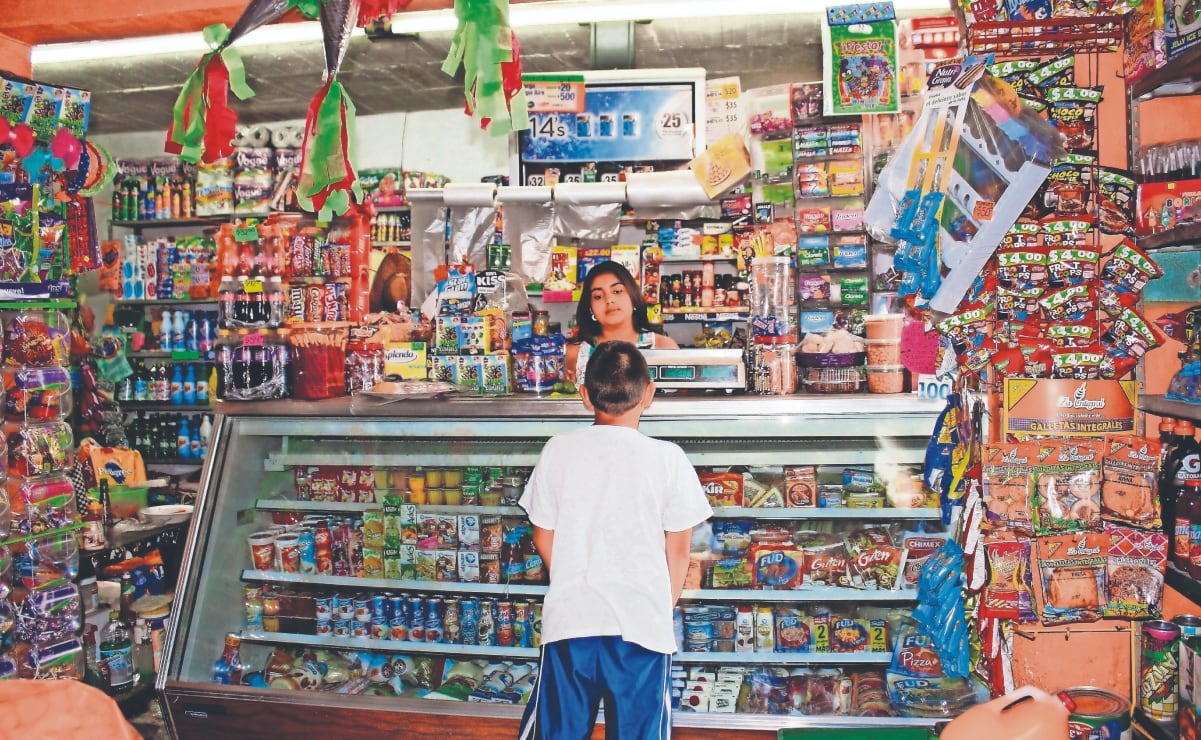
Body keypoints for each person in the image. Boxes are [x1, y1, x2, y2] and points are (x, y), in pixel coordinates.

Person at [517, 341, 712, 740]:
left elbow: (542, 535)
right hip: (641, 626)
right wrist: (660, 604)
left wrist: (576, 577)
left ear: (584, 394)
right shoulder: (668, 457)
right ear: (650, 393)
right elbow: (679, 548)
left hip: (572, 623)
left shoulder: (558, 450)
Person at [564, 261, 678, 386]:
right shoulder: (574, 354)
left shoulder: (663, 347)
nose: (609, 300)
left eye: (617, 291)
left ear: (633, 297)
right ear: (590, 308)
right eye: (598, 296)